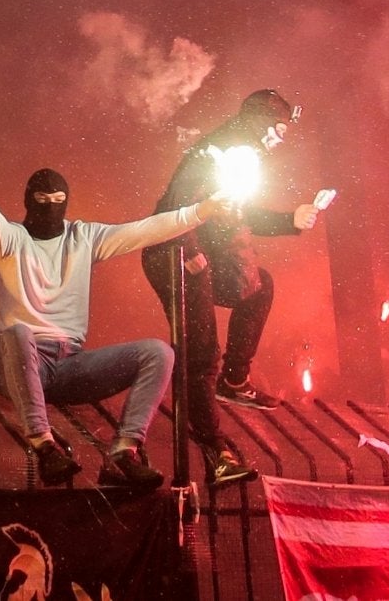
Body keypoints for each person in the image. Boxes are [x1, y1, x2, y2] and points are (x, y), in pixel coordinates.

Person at [0, 151, 228, 492]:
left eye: (58, 200)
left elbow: (144, 230)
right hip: (18, 363)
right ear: (28, 201)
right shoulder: (11, 239)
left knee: (159, 352)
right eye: (42, 200)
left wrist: (202, 211)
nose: (51, 207)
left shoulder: (84, 238)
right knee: (17, 332)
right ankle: (44, 446)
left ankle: (124, 454)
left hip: (68, 364)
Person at [140, 89, 323, 488]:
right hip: (174, 252)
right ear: (259, 123)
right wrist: (189, 251)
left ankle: (234, 382)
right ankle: (214, 451)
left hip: (201, 251)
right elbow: (177, 203)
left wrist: (291, 218)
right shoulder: (214, 154)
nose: (281, 138)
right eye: (277, 129)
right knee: (202, 350)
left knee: (259, 288)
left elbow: (238, 213)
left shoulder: (241, 156)